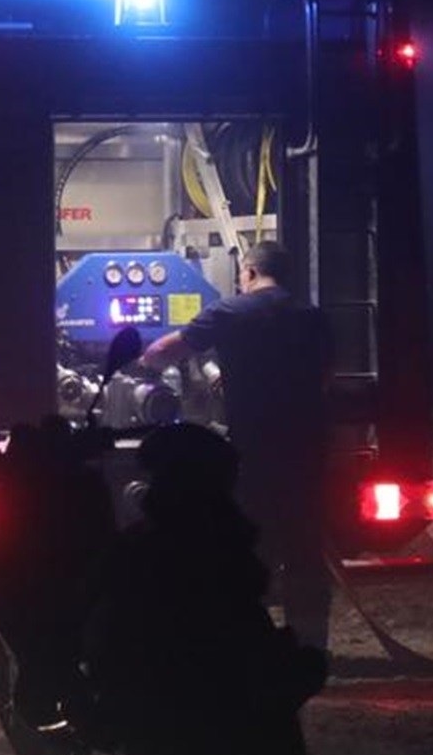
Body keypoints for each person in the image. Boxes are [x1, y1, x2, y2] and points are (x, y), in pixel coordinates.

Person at [136, 240, 335, 665]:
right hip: (305, 452)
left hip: (253, 452)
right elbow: (323, 376)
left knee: (250, 545)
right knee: (305, 548)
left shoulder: (229, 312)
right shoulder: (312, 318)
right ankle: (312, 647)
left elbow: (163, 352)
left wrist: (141, 359)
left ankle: (252, 643)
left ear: (247, 272)